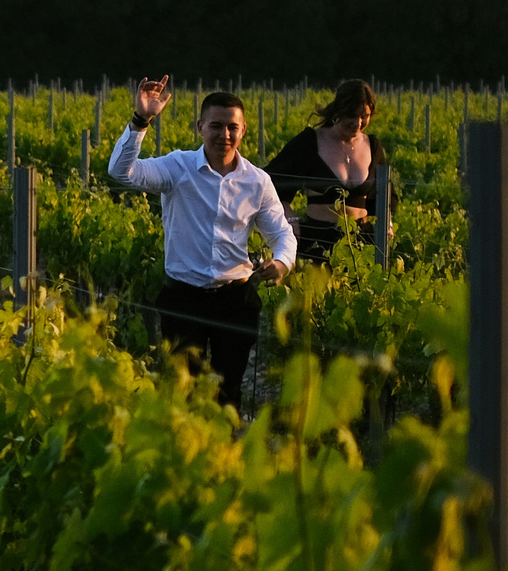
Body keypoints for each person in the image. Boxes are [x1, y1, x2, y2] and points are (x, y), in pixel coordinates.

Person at [108, 78, 295, 413]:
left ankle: (225, 460)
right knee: (183, 391)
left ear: (243, 130)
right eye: (216, 126)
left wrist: (282, 262)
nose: (224, 135)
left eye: (232, 127)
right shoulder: (177, 167)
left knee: (229, 391)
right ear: (200, 127)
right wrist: (141, 120)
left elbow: (281, 233)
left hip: (235, 300)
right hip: (183, 299)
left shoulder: (257, 181)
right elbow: (122, 172)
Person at [262, 79, 389, 263]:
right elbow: (270, 181)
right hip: (318, 242)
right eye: (352, 116)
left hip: (362, 243)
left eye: (365, 116)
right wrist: (289, 216)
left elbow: (385, 195)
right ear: (339, 111)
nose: (358, 122)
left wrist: (388, 224)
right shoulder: (310, 141)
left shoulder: (373, 146)